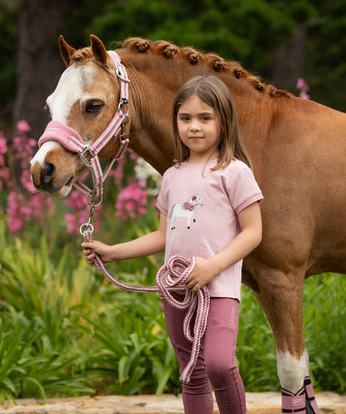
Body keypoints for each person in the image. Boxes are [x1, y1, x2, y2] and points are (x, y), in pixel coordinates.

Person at [82, 74, 263, 414]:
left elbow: (253, 232)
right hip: (178, 292)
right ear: (176, 121)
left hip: (219, 288)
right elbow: (162, 237)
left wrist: (212, 266)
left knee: (220, 365)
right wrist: (112, 251)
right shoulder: (172, 176)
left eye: (205, 118)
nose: (194, 127)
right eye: (185, 118)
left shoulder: (234, 172)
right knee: (191, 374)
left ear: (224, 122)